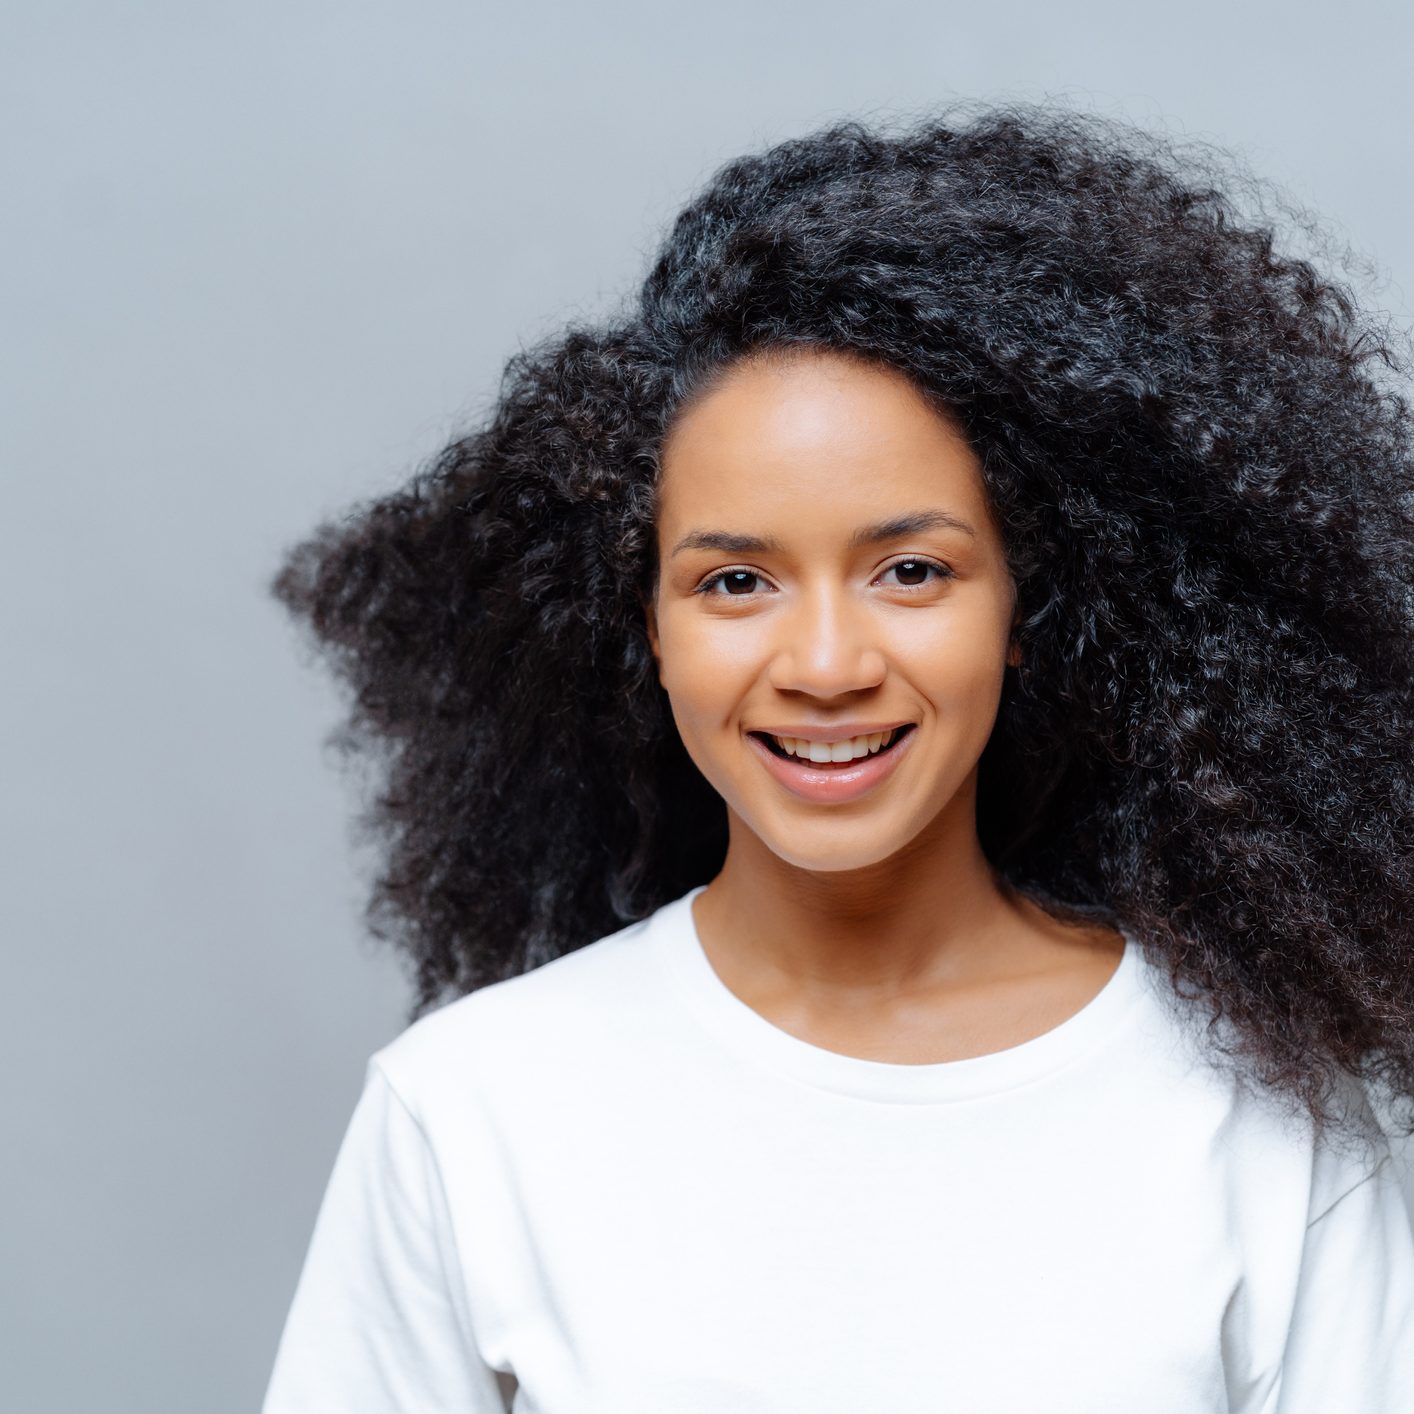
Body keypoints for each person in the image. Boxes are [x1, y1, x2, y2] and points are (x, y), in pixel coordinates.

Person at [259, 99, 1414, 1412]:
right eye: (735, 579)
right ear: (641, 624)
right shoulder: (474, 1110)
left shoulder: (1264, 1129)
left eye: (909, 570)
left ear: (1033, 607)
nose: (821, 662)